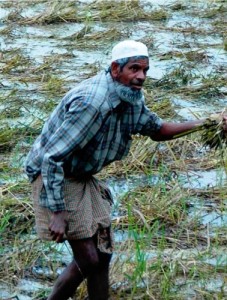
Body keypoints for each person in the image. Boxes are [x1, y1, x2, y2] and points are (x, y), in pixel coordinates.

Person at [25, 40, 226, 300]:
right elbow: (52, 158)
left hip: (83, 176)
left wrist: (207, 124)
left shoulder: (130, 97)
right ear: (115, 69)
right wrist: (59, 211)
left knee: (103, 253)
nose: (141, 76)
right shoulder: (92, 103)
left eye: (145, 70)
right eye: (134, 69)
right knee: (88, 259)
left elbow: (157, 130)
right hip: (56, 176)